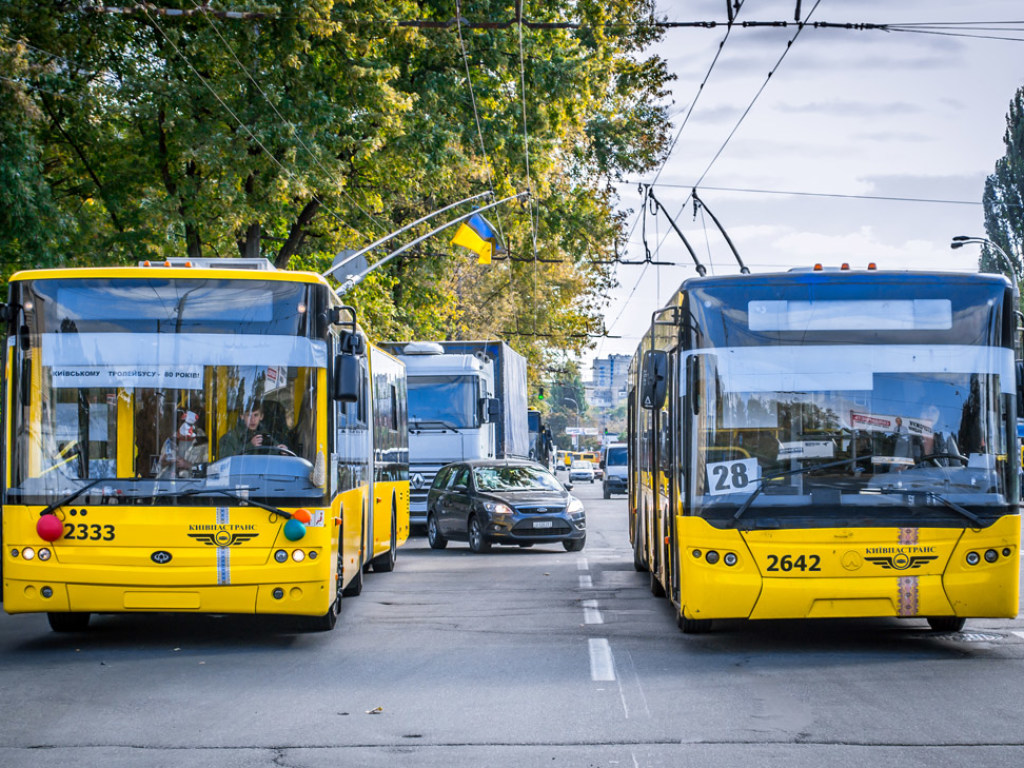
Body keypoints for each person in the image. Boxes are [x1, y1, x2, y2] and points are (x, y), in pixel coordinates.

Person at [218, 403, 290, 457]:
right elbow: (227, 461)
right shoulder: (229, 438)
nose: (252, 420)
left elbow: (272, 460)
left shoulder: (266, 436)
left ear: (261, 416)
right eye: (249, 415)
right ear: (242, 416)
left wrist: (282, 451)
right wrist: (250, 445)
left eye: (256, 415)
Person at [157, 410, 208, 478]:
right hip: (170, 486)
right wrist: (163, 463)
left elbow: (209, 471)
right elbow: (157, 470)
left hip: (195, 486)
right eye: (181, 422)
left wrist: (189, 465)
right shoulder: (170, 442)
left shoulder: (203, 443)